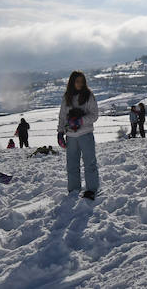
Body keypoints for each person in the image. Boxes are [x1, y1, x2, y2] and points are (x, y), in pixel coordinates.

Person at [57, 71, 100, 199]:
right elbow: (62, 117)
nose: (80, 84)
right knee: (72, 165)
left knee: (90, 163)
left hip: (86, 134)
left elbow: (94, 115)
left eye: (82, 81)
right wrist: (60, 132)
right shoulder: (66, 97)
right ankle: (74, 190)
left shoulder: (89, 96)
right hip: (71, 136)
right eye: (77, 81)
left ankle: (91, 189)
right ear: (72, 82)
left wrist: (81, 120)